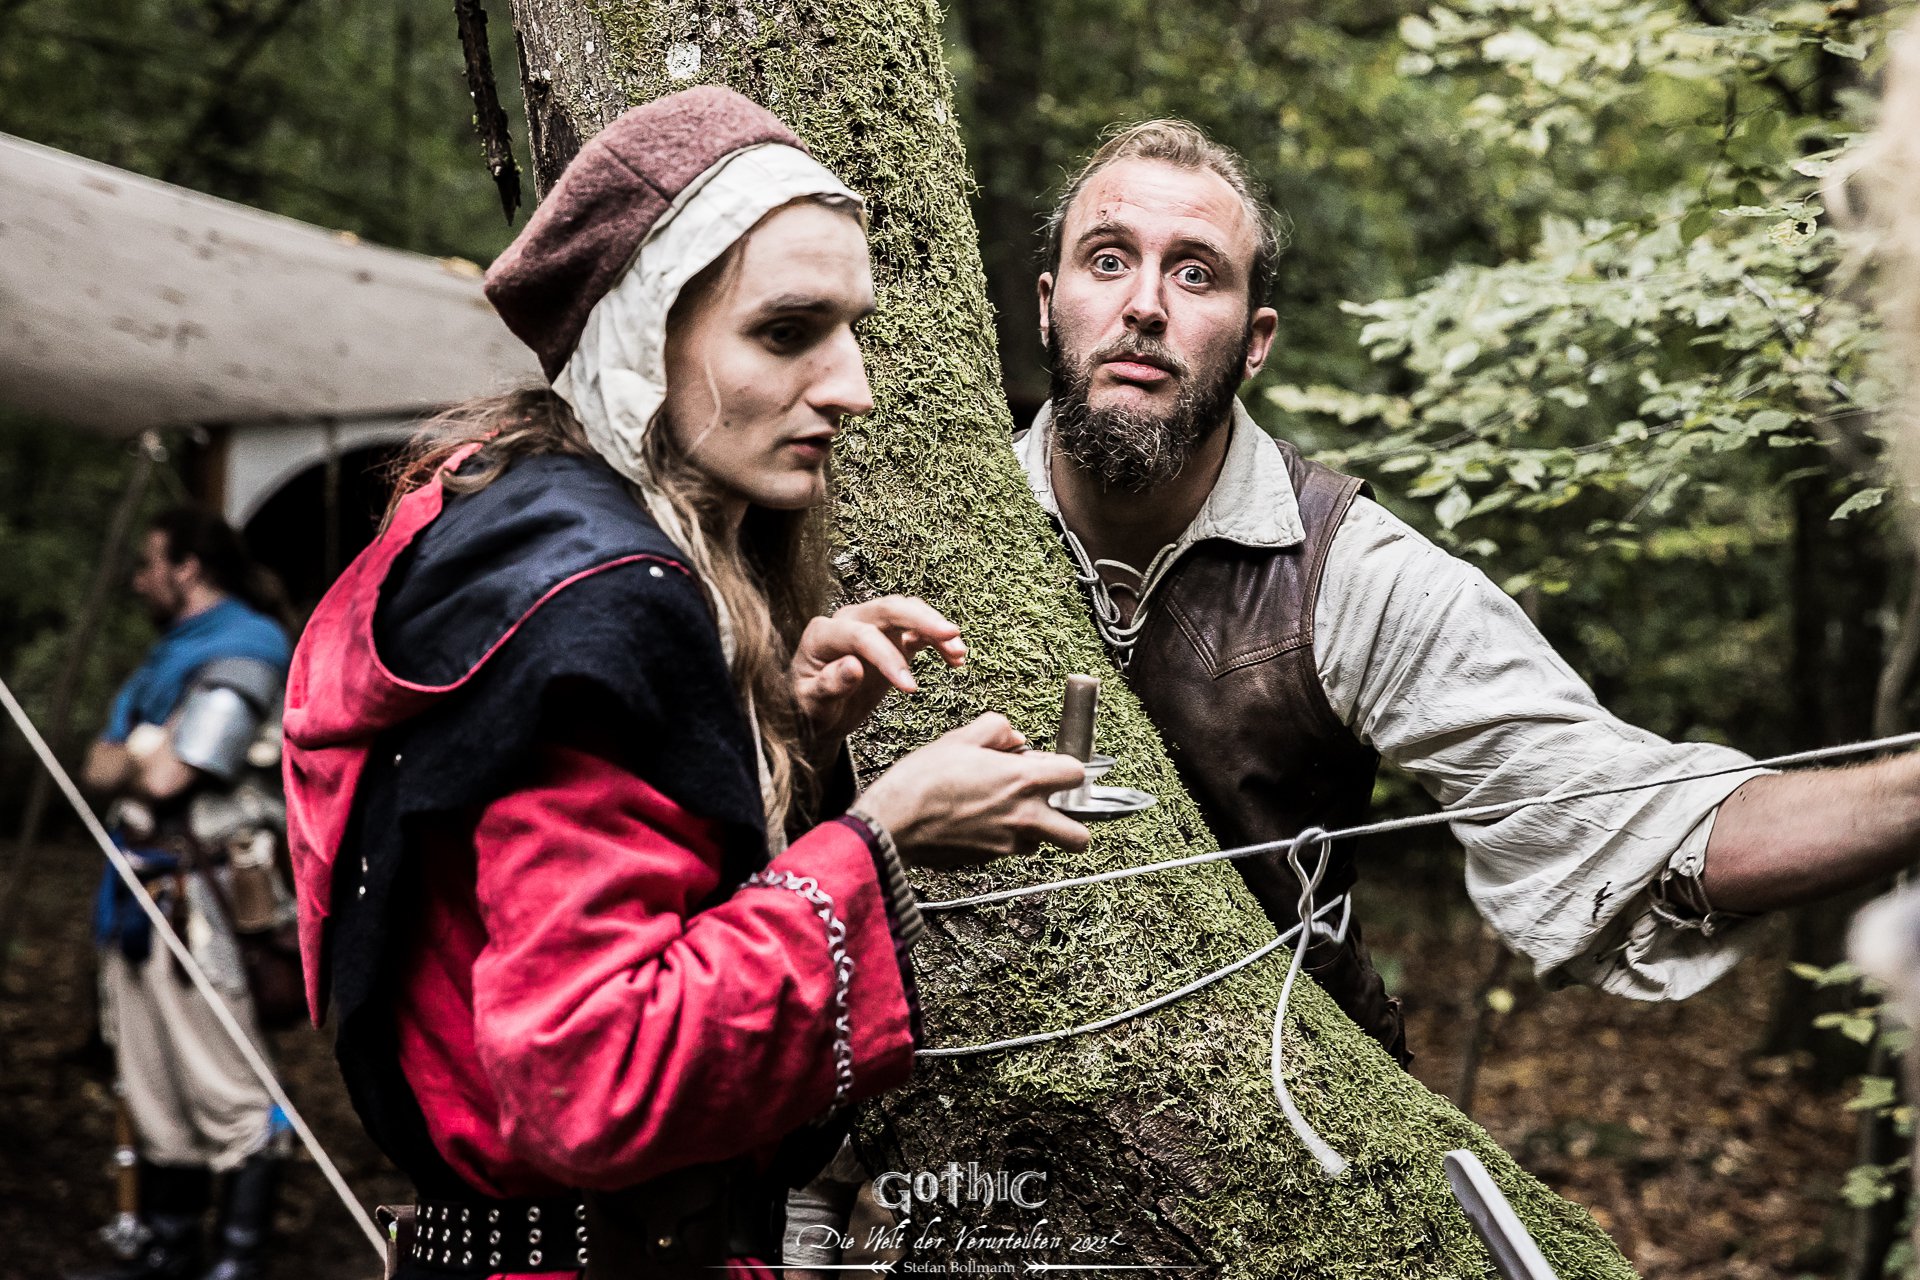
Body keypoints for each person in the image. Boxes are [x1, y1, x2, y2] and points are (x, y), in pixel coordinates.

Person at [280, 86, 1088, 1279]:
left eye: (850, 329)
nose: (852, 386)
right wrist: (882, 836)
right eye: (786, 332)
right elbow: (590, 1075)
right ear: (644, 331)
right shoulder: (605, 597)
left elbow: (570, 876)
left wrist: (774, 737)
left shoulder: (506, 519)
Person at [1017, 118, 1920, 1064]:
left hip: (1280, 1100)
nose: (1146, 305)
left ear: (1255, 343)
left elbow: (1637, 823)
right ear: (1047, 306)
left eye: (1197, 274)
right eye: (1108, 260)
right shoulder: (943, 521)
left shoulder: (1350, 574)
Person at [74, 507, 294, 1280]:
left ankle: (236, 1263)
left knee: (230, 1090)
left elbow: (172, 774)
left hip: (204, 903)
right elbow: (98, 765)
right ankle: (168, 1256)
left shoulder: (249, 647)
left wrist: (137, 754)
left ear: (188, 568)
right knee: (157, 1091)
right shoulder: (172, 655)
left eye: (150, 564)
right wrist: (137, 751)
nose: (141, 580)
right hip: (139, 891)